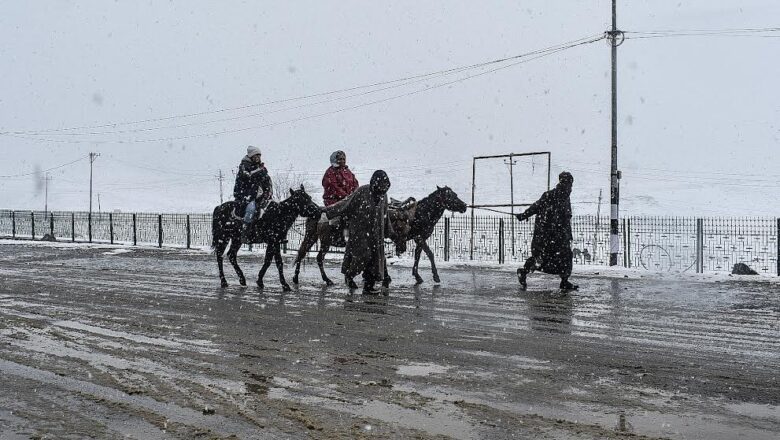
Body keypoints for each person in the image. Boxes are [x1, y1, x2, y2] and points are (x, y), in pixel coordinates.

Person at [323, 170, 393, 294]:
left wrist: (389, 231)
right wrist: (326, 212)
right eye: (380, 185)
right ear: (374, 183)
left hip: (376, 235)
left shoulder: (384, 196)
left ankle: (368, 286)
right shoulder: (362, 191)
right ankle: (350, 275)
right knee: (362, 257)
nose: (382, 189)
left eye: (384, 186)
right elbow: (346, 203)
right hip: (360, 233)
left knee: (375, 261)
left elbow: (385, 214)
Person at [515, 171, 578, 291]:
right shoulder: (549, 195)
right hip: (547, 235)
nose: (570, 187)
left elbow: (566, 218)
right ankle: (523, 272)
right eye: (568, 184)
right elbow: (536, 207)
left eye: (570, 184)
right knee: (542, 258)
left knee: (565, 257)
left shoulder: (565, 198)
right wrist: (523, 215)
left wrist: (567, 235)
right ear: (563, 183)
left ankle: (564, 281)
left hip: (560, 235)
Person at [233, 146, 272, 227]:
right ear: (251, 156)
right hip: (246, 196)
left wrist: (268, 191)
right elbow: (248, 176)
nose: (258, 157)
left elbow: (266, 181)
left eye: (259, 155)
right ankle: (245, 229)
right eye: (256, 156)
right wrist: (259, 171)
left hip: (260, 197)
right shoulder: (244, 166)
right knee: (251, 209)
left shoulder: (260, 168)